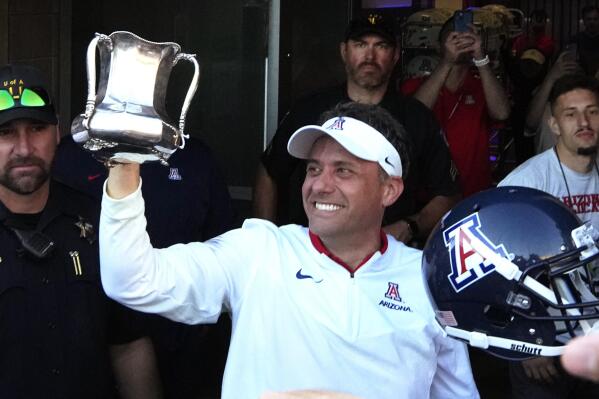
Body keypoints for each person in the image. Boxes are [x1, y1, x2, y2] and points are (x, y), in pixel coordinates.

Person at [100, 102, 480, 399]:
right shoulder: (259, 251)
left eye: (343, 171)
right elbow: (132, 281)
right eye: (314, 169)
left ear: (389, 190)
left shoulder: (427, 280)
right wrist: (124, 165)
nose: (320, 185)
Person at [0, 64, 161, 398]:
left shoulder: (101, 222)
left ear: (57, 133)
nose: (24, 148)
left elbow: (128, 343)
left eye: (36, 128)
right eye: (5, 133)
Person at [53, 135, 235, 398]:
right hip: (93, 339)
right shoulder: (70, 153)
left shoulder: (194, 156)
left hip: (180, 338)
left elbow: (223, 248)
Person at [254, 15, 460, 245]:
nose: (369, 57)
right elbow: (270, 171)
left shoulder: (417, 118)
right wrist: (266, 240)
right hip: (311, 254)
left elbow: (448, 194)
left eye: (380, 46)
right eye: (360, 45)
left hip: (388, 256)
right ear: (344, 52)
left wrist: (410, 226)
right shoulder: (309, 109)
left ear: (395, 56)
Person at [498, 73, 599, 398]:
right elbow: (495, 267)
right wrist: (525, 343)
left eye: (592, 111)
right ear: (554, 125)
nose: (583, 122)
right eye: (571, 114)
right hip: (545, 341)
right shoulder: (527, 183)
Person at [401, 15, 510, 197]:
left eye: (466, 36)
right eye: (453, 36)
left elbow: (502, 113)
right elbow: (415, 115)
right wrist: (447, 61)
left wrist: (480, 57)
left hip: (473, 194)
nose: (460, 40)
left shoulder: (482, 86)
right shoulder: (415, 85)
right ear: (438, 47)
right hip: (427, 197)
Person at [524, 51, 581, 155]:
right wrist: (551, 78)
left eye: (573, 65)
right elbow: (530, 123)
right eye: (564, 65)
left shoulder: (589, 106)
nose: (568, 70)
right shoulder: (544, 101)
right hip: (548, 169)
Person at [572, 5, 599, 77]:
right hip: (580, 81)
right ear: (584, 21)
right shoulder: (575, 40)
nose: (592, 22)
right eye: (589, 19)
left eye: (595, 19)